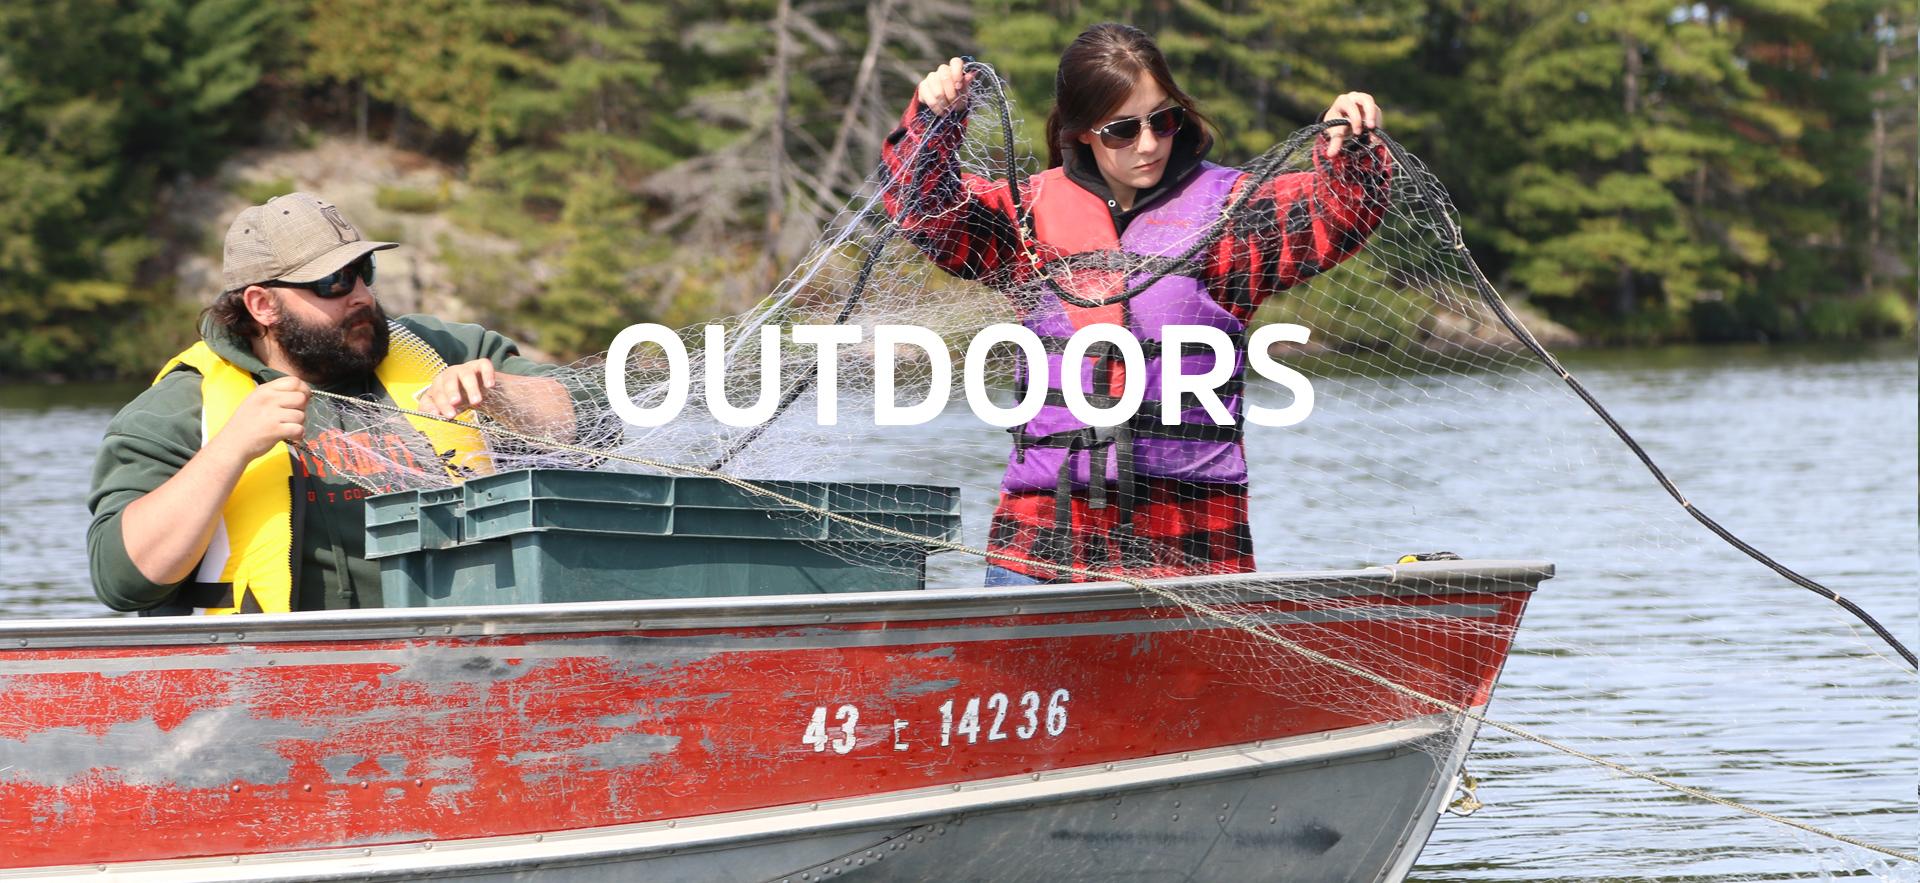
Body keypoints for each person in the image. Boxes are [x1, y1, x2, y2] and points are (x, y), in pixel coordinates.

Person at [882, 24, 1392, 586]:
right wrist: (934, 117)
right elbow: (922, 206)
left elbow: (1337, 214)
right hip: (1044, 542)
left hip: (1193, 542)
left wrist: (1352, 146)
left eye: (1162, 120)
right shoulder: (1024, 219)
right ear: (1080, 134)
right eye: (1123, 130)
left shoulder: (1231, 216)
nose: (1148, 145)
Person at [87, 192, 579, 615]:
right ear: (262, 305)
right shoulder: (177, 411)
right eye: (331, 283)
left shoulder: (443, 349)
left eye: (363, 272)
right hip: (282, 681)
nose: (361, 295)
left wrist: (499, 393)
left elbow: (597, 415)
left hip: (473, 655)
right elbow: (122, 581)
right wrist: (229, 449)